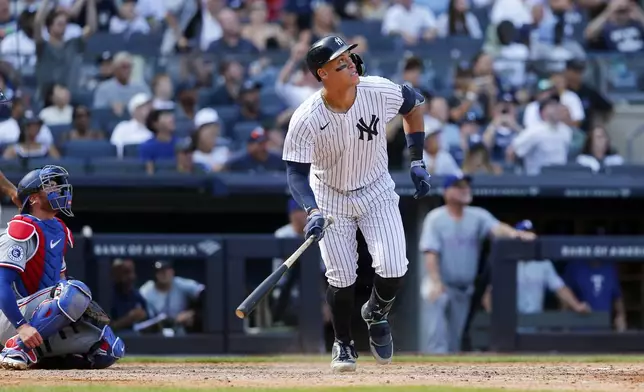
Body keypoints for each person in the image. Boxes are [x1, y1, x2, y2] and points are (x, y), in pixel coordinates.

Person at [282, 35, 431, 372]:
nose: (350, 63)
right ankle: (343, 343)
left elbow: (413, 104)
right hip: (330, 195)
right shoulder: (306, 117)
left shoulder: (376, 89)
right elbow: (295, 173)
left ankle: (376, 312)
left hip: (376, 189)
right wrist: (312, 210)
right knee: (341, 277)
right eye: (340, 62)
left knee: (394, 267)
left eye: (349, 57)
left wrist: (417, 160)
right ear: (322, 74)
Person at [0, 165, 124, 370]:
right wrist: (22, 327)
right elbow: (2, 284)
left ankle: (39, 356)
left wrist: (77, 309)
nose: (59, 191)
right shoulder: (20, 229)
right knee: (75, 290)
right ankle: (17, 348)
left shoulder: (58, 230)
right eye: (50, 187)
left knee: (108, 348)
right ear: (33, 198)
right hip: (11, 317)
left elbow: (60, 281)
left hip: (37, 317)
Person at [418, 174, 534, 354]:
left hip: (463, 287)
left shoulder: (478, 215)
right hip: (440, 283)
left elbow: (497, 229)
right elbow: (430, 252)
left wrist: (516, 234)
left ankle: (447, 371)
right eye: (458, 186)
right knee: (437, 319)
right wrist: (435, 280)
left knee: (455, 338)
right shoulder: (435, 218)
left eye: (466, 186)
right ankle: (433, 360)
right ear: (446, 192)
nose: (465, 189)